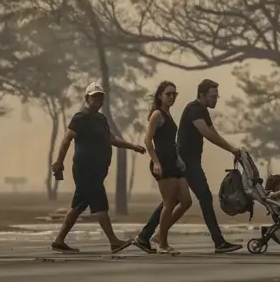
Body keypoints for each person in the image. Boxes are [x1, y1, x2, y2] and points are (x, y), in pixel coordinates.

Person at [50, 82, 147, 253]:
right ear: (87, 98)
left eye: (100, 96)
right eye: (94, 96)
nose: (98, 100)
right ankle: (114, 241)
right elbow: (67, 140)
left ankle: (59, 240)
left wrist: (133, 146)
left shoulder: (101, 119)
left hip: (97, 170)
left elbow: (112, 139)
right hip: (86, 169)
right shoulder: (80, 118)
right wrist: (59, 162)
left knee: (78, 206)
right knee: (101, 205)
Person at [174, 78, 242, 253]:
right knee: (204, 197)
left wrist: (232, 149)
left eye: (217, 96)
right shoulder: (194, 110)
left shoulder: (202, 110)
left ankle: (147, 236)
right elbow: (207, 134)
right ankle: (219, 242)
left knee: (173, 200)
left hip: (192, 160)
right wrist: (231, 149)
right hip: (186, 162)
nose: (215, 99)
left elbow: (214, 131)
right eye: (213, 96)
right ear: (202, 95)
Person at [132, 81, 193, 254]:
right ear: (160, 95)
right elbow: (147, 140)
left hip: (174, 161)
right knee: (168, 203)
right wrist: (156, 162)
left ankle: (159, 235)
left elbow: (171, 142)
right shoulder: (157, 115)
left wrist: (179, 158)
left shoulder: (168, 114)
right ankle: (163, 243)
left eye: (175, 94)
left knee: (186, 201)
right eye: (168, 94)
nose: (172, 97)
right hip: (162, 162)